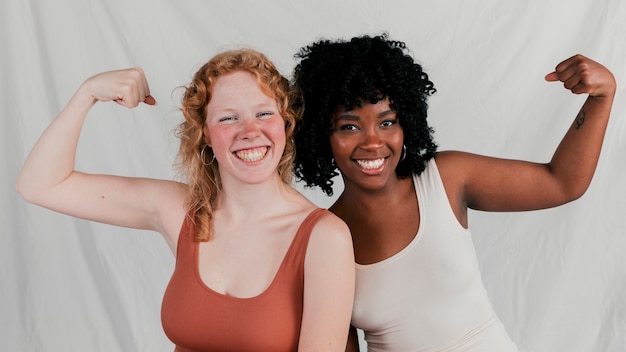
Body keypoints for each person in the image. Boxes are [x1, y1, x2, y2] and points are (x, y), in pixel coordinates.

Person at [291, 34, 616, 351]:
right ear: (321, 134)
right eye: (349, 126)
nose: (373, 142)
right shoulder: (325, 237)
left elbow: (562, 182)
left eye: (387, 122)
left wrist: (601, 96)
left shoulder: (445, 179)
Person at [15, 48, 355, 351]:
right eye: (228, 117)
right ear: (205, 134)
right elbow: (40, 185)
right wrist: (87, 93)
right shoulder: (179, 210)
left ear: (285, 123)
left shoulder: (324, 237)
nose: (250, 131)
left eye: (264, 113)